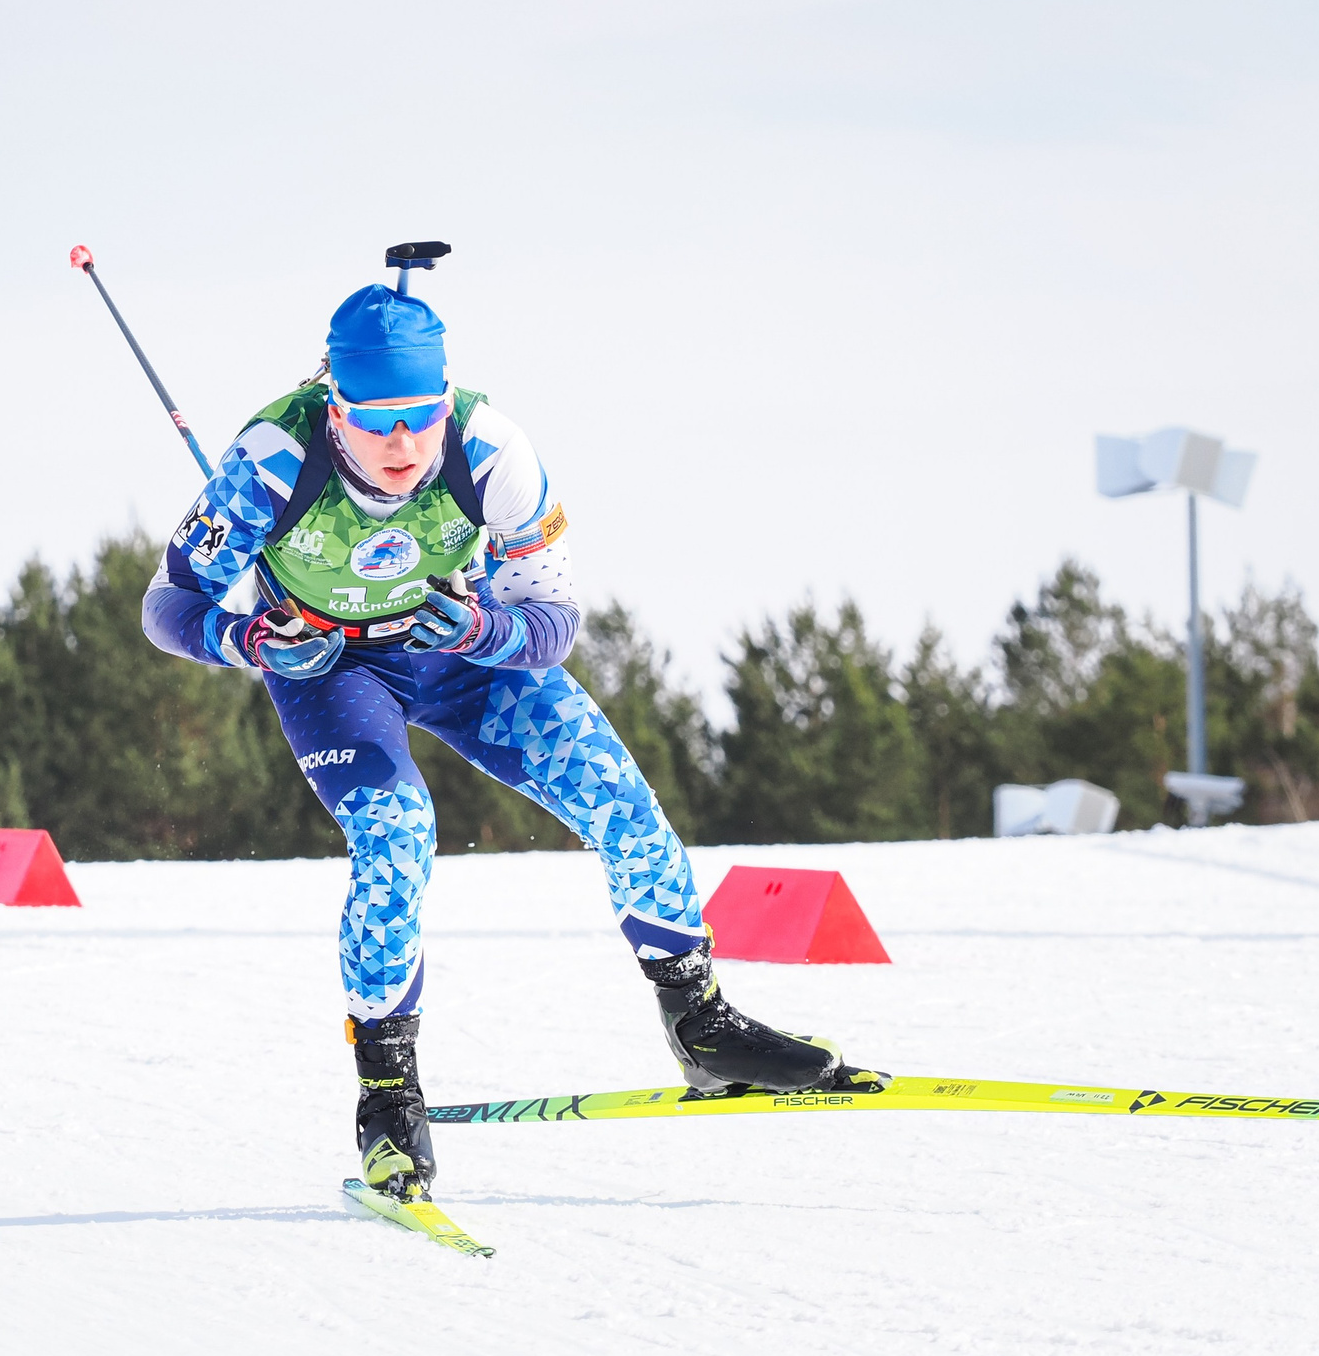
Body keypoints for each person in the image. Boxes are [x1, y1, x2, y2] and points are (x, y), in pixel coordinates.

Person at [142, 279, 884, 1202]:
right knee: (397, 834)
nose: (404, 444)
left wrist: (483, 630)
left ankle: (700, 1023)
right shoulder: (270, 459)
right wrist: (249, 638)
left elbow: (555, 618)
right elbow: (168, 604)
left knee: (619, 799)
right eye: (376, 423)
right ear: (335, 407)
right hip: (334, 667)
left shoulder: (493, 449)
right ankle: (388, 1095)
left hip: (463, 651)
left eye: (422, 416)